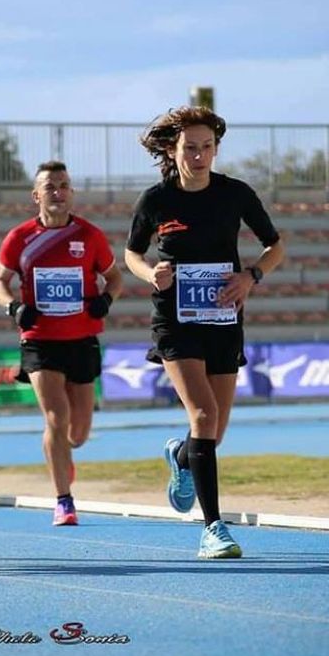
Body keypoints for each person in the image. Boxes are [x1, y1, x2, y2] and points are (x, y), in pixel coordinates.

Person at [125, 106, 285, 558]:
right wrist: (149, 273)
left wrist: (251, 277)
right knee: (202, 415)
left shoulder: (235, 193)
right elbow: (132, 254)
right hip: (175, 319)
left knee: (215, 430)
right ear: (173, 150)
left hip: (223, 316)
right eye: (190, 148)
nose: (199, 156)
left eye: (207, 148)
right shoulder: (156, 200)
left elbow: (275, 246)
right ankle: (213, 528)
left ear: (216, 149)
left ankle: (180, 457)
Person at [0, 161, 122, 526]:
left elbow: (114, 277)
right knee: (55, 418)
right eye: (50, 186)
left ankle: (65, 456)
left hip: (82, 338)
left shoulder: (90, 236)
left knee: (77, 434)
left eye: (64, 185)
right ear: (37, 195)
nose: (58, 192)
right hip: (40, 341)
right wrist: (13, 307)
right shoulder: (19, 238)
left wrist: (106, 300)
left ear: (72, 193)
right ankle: (63, 500)